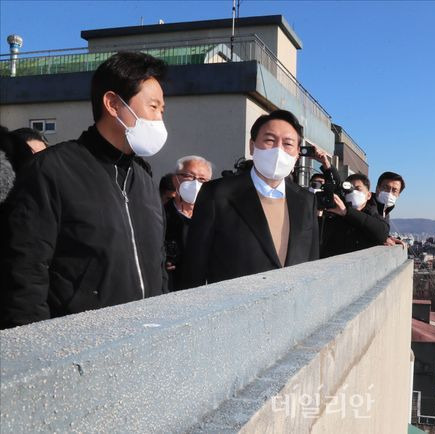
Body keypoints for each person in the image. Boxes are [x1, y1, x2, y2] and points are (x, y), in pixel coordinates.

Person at [0, 52, 169, 328]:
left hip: (145, 339)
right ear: (113, 104)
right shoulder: (52, 169)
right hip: (78, 347)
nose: (159, 119)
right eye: (153, 106)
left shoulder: (145, 179)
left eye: (162, 110)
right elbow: (25, 270)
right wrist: (38, 348)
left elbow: (158, 263)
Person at [183, 109, 319, 285]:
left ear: (297, 154)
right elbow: (194, 266)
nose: (278, 150)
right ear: (252, 146)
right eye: (270, 140)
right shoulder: (217, 194)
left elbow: (312, 262)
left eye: (288, 143)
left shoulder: (307, 201)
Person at [164, 155, 213, 291]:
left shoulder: (215, 217)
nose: (195, 183)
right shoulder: (160, 216)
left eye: (202, 179)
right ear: (176, 180)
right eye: (188, 176)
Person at [320, 173, 389, 258]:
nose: (353, 192)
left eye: (358, 189)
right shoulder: (334, 213)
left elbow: (382, 233)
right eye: (349, 190)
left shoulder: (372, 214)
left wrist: (347, 212)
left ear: (368, 195)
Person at [370, 171, 407, 247]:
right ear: (377, 188)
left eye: (394, 190)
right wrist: (383, 238)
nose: (389, 192)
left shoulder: (385, 210)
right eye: (386, 187)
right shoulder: (368, 204)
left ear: (398, 195)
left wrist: (388, 237)